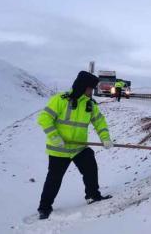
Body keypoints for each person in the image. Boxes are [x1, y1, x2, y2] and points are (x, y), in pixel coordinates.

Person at [36, 71, 113, 220]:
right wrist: (54, 136)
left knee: (90, 167)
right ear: (83, 86)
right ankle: (44, 208)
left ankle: (92, 195)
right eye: (90, 88)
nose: (92, 91)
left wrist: (105, 138)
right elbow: (44, 118)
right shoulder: (60, 99)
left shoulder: (90, 104)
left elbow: (99, 122)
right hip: (59, 148)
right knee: (54, 178)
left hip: (79, 147)